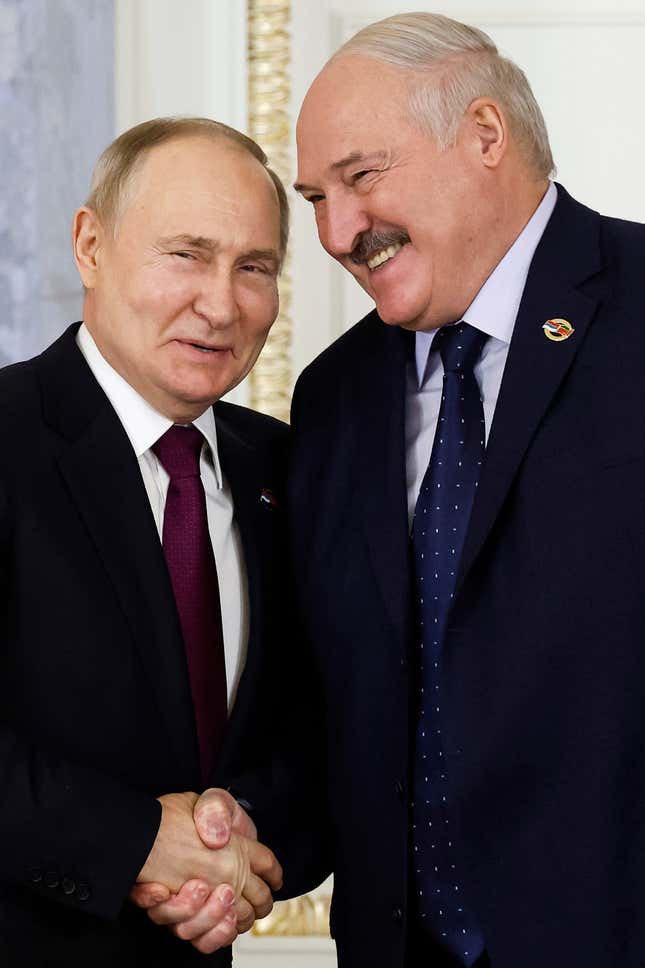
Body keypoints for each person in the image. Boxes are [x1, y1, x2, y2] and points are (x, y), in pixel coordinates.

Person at [142, 11, 645, 968]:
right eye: (315, 199)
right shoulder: (332, 397)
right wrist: (229, 834)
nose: (335, 233)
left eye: (361, 178)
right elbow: (343, 713)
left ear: (485, 136)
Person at [0, 116, 294, 966]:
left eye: (255, 267)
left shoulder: (284, 468)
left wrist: (233, 852)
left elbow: (322, 728)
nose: (221, 301)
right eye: (186, 254)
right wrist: (133, 842)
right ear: (90, 245)